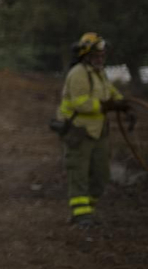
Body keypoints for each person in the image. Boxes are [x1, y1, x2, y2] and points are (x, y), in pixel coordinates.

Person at [55, 32, 132, 230]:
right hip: (79, 132)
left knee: (101, 175)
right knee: (79, 175)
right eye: (97, 55)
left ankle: (88, 210)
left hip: (98, 132)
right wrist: (107, 107)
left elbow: (110, 92)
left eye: (102, 55)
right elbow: (80, 103)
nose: (101, 59)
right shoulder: (78, 74)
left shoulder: (99, 73)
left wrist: (123, 104)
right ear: (86, 55)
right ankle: (81, 216)